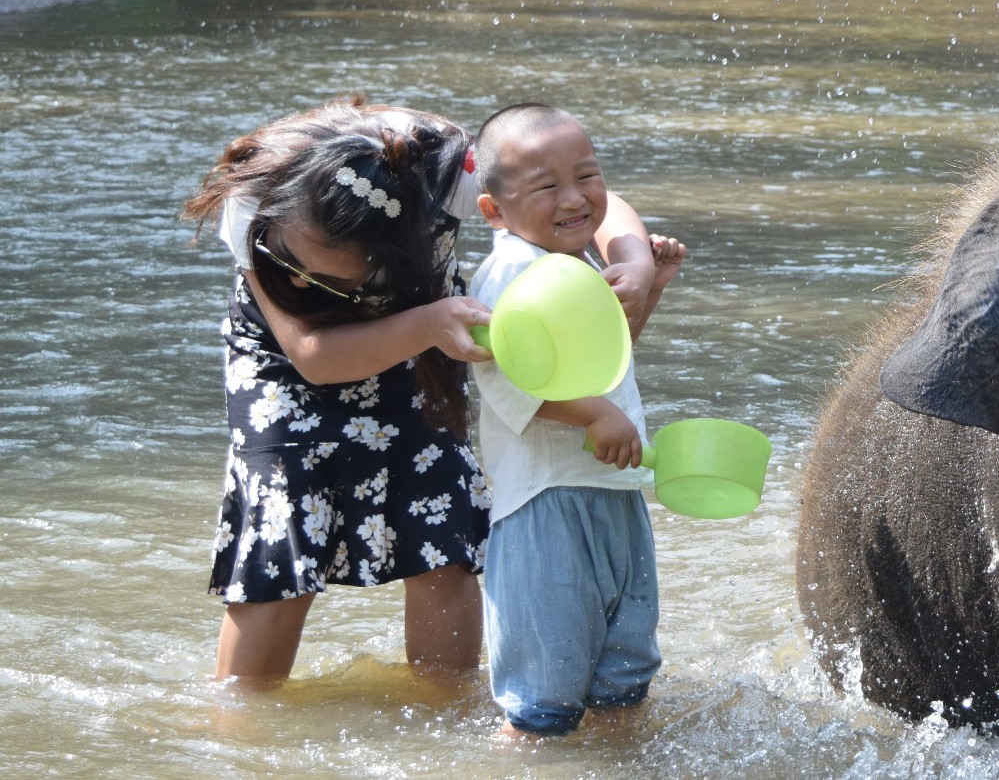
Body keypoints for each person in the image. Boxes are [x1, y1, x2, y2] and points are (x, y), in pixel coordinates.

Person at [185, 98, 668, 687]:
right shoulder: (256, 202)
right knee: (283, 534)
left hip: (428, 327)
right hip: (290, 363)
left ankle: (448, 709)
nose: (347, 293)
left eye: (358, 276)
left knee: (441, 531)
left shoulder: (439, 169)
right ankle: (240, 723)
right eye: (319, 273)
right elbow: (314, 354)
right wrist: (425, 325)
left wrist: (635, 262)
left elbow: (590, 196)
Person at [467, 103, 688, 736]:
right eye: (546, 186)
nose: (575, 198)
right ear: (494, 210)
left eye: (586, 176)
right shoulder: (508, 272)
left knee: (622, 675)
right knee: (543, 696)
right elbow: (500, 373)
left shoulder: (572, 263)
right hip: (544, 503)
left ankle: (618, 759)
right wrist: (593, 414)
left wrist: (652, 287)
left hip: (612, 489)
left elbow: (604, 364)